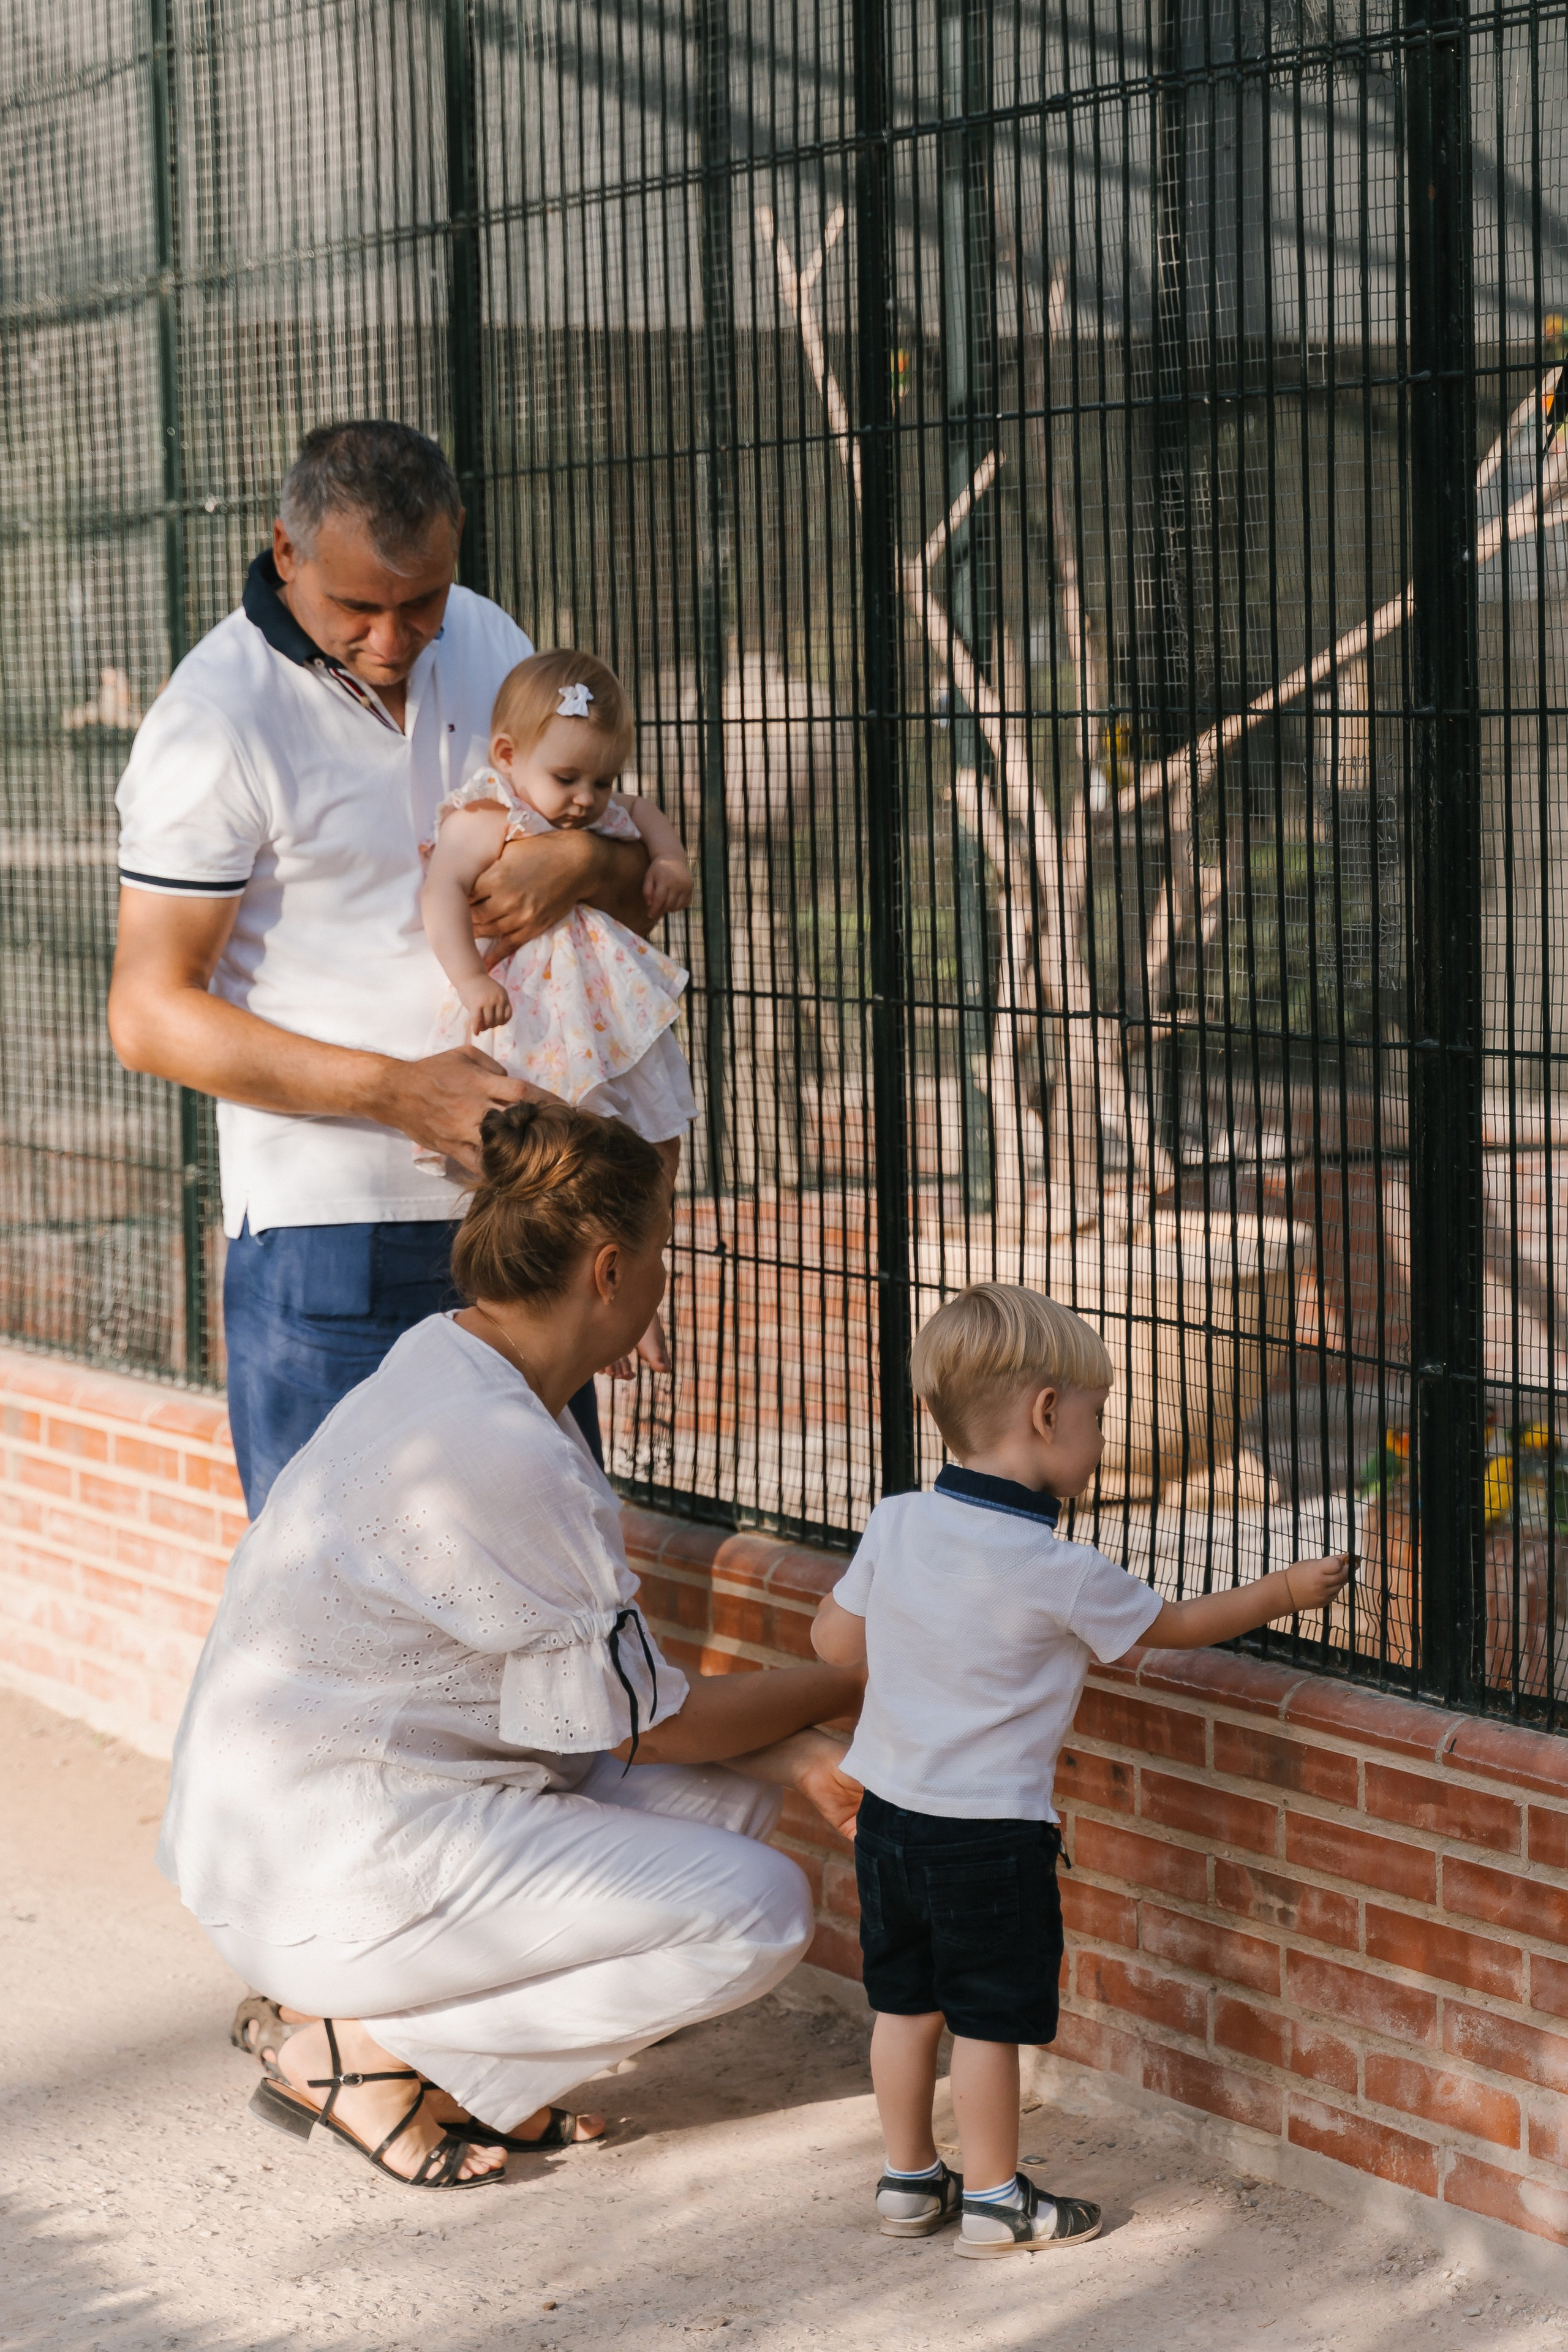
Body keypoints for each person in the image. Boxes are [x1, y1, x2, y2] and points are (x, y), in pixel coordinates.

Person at [157, 1098, 864, 2190]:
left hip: (322, 1833)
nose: (671, 1277)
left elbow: (603, 1711)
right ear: (611, 1268)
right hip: (321, 1873)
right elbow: (656, 1728)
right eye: (667, 1249)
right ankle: (367, 2057)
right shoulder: (500, 1449)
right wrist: (857, 1674)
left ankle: (407, 2054)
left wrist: (801, 1753)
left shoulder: (447, 1361)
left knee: (735, 1805)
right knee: (760, 1911)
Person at [108, 420, 652, 1515]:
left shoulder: (492, 637)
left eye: (423, 603)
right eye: (359, 607)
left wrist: (582, 860)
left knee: (552, 1592)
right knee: (338, 1612)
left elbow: (630, 864)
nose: (396, 639)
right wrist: (401, 1094)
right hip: (333, 1232)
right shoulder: (214, 720)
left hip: (524, 1199)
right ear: (285, 552)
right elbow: (148, 1015)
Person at [812, 1283, 1351, 2258]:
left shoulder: (895, 1523)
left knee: (903, 2003)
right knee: (985, 2020)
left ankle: (905, 2180)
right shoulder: (1059, 1569)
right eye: (1098, 1418)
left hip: (889, 1822)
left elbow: (834, 1641)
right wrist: (1284, 1589)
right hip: (991, 1836)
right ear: (1045, 1413)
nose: (1103, 1441)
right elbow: (1174, 1631)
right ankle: (995, 2198)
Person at [420, 649, 695, 1370]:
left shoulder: (605, 809)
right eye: (567, 778)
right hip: (536, 1024)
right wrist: (469, 978)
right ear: (507, 756)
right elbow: (441, 891)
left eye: (601, 779)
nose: (586, 799)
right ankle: (570, 1304)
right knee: (549, 1167)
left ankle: (631, 1292)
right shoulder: (487, 815)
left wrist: (668, 861)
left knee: (646, 1145)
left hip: (607, 1019)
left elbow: (644, 815)